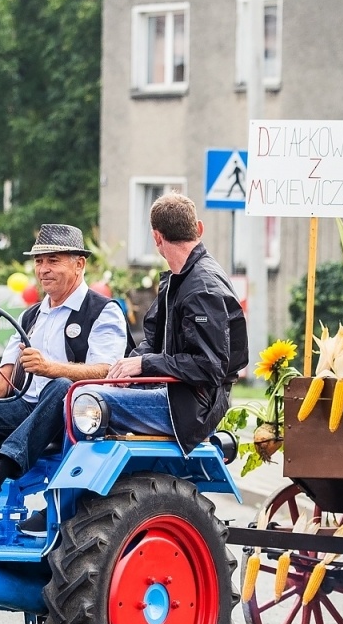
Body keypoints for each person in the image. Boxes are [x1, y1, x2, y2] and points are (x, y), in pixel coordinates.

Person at [0, 224, 127, 530]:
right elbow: (6, 377)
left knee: (62, 387)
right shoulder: (31, 316)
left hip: (77, 420)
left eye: (53, 260)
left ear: (79, 264)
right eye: (39, 261)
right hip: (28, 411)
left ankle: (2, 468)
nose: (43, 269)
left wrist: (52, 367)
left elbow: (107, 371)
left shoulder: (103, 311)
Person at [102, 193, 248, 451]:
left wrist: (144, 364)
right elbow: (154, 342)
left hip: (192, 410)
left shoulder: (201, 289)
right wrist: (128, 369)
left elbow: (209, 366)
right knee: (82, 395)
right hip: (178, 397)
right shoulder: (180, 279)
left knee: (84, 400)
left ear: (156, 237)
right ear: (199, 228)